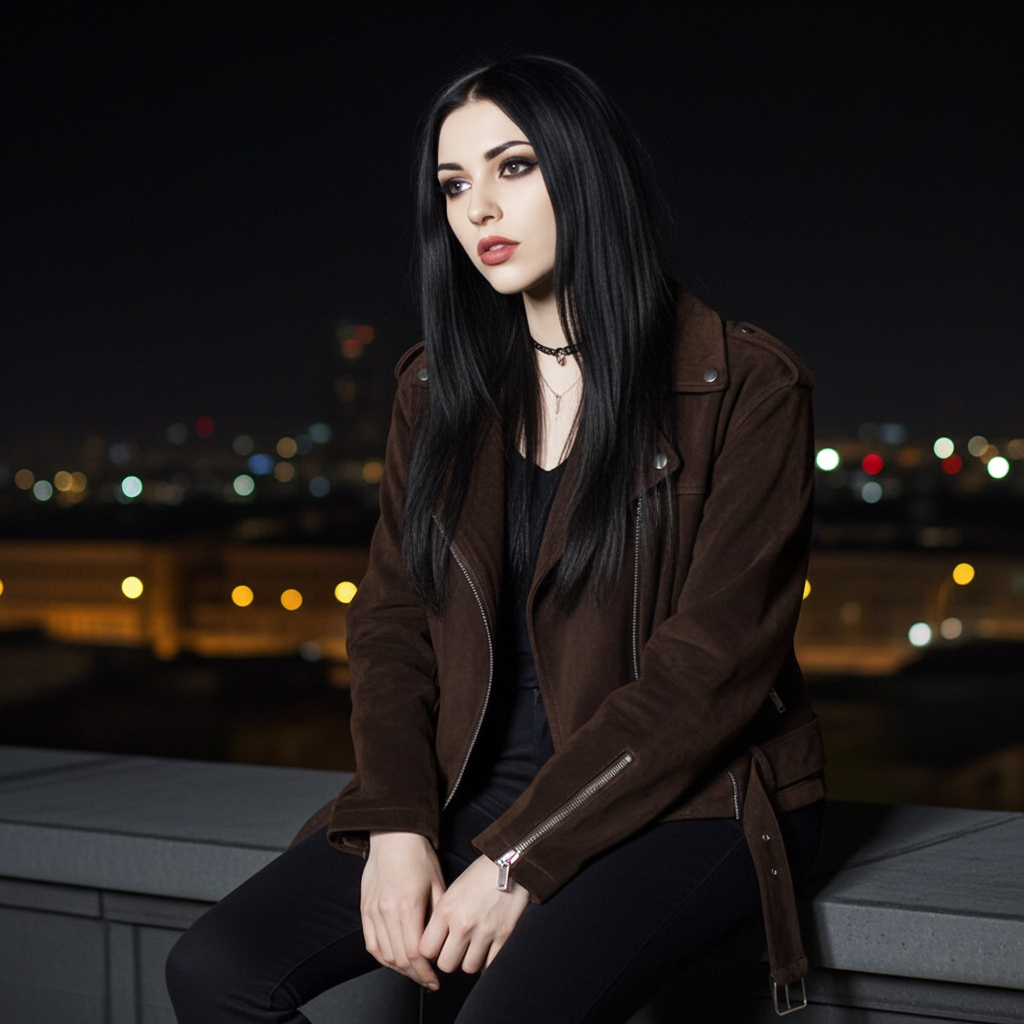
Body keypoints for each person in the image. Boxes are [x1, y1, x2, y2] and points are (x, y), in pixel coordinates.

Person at [166, 54, 826, 1024]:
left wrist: (518, 857)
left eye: (513, 166)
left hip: (689, 796)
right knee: (216, 970)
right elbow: (391, 623)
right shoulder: (438, 388)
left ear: (587, 172)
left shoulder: (743, 385)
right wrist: (398, 823)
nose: (477, 207)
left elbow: (709, 672)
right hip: (468, 787)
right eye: (452, 184)